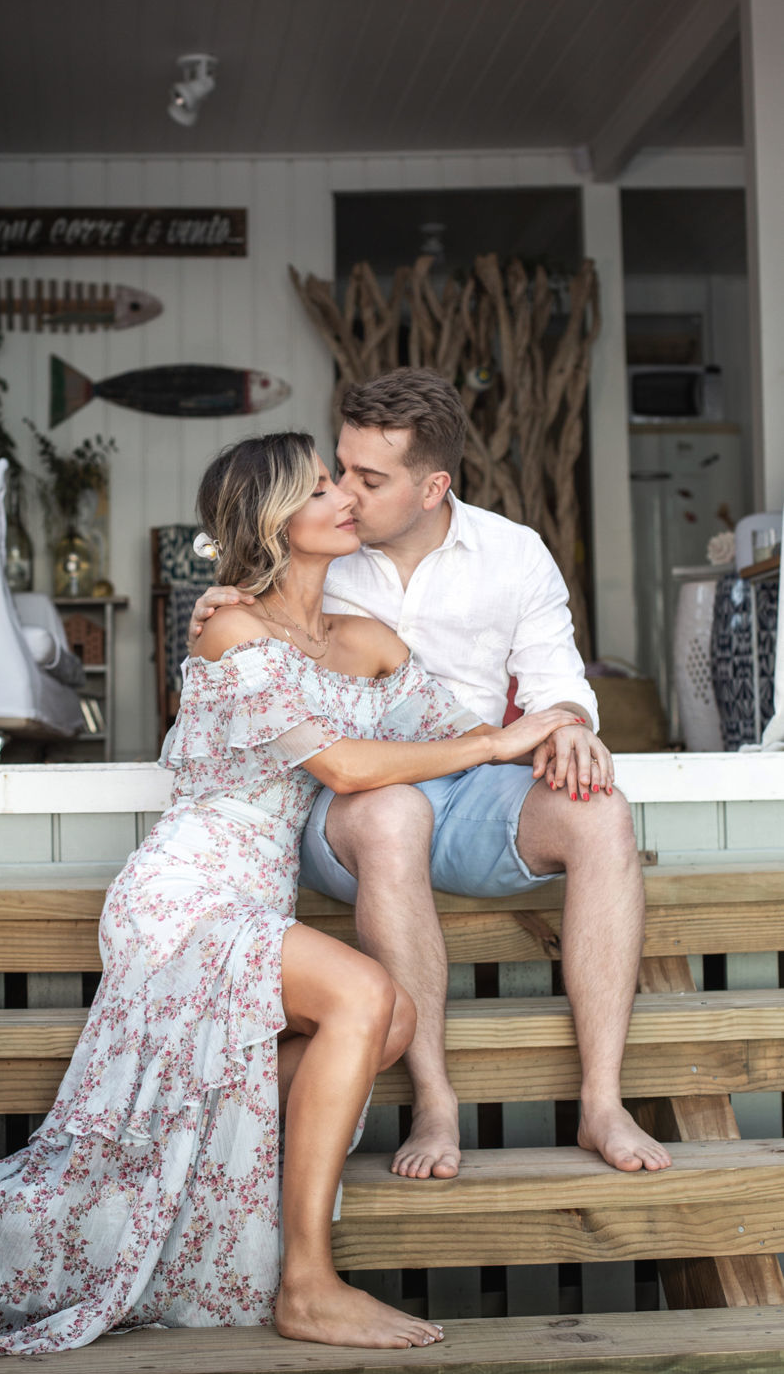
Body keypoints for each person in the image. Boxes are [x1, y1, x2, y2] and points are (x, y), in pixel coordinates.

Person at [0, 432, 575, 1356]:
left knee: (392, 1023)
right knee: (367, 995)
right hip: (184, 893)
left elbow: (457, 732)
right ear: (270, 521)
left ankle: (228, 1204)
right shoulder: (228, 627)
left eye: (340, 483)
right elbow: (343, 763)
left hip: (259, 899)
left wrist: (559, 733)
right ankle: (307, 1284)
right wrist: (489, 744)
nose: (343, 498)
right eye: (318, 489)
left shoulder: (369, 643)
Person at [191, 371, 672, 1185]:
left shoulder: (511, 552)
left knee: (601, 813)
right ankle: (435, 1101)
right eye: (337, 470)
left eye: (367, 480)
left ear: (432, 486)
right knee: (389, 812)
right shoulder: (320, 546)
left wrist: (571, 729)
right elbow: (253, 610)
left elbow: (555, 679)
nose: (343, 493)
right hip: (345, 805)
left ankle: (600, 1101)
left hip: (473, 783)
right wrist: (218, 602)